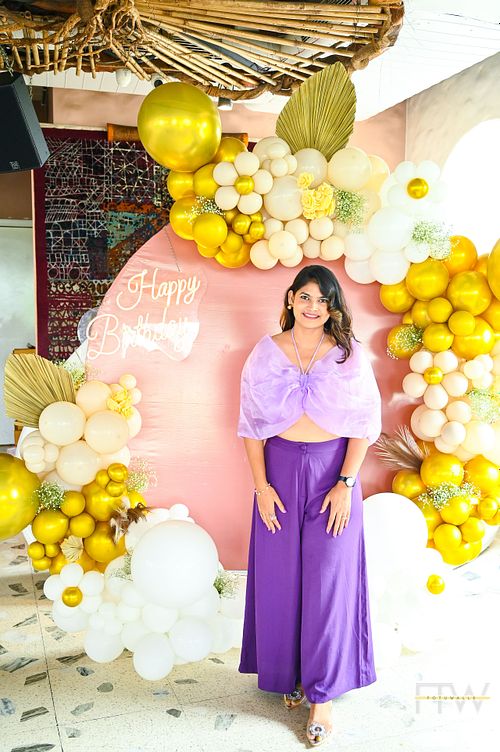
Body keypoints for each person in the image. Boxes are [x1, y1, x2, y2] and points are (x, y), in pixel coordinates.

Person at [236, 264, 382, 747]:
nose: (313, 306)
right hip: (278, 471)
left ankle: (323, 697)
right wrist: (261, 487)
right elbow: (251, 426)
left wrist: (345, 483)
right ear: (291, 299)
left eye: (323, 299)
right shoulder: (265, 353)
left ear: (333, 308)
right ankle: (290, 674)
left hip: (332, 474)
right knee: (280, 578)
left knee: (327, 584)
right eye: (306, 297)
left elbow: (364, 424)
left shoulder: (349, 355)